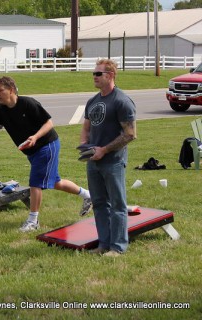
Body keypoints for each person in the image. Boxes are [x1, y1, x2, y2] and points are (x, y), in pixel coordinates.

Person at [0, 76, 92, 232]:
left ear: (12, 90)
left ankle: (33, 221)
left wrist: (35, 137)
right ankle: (88, 195)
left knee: (35, 183)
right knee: (55, 182)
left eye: (1, 91)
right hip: (33, 151)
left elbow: (49, 123)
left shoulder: (28, 103)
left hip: (47, 145)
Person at [80, 59, 137, 257]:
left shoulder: (121, 101)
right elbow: (86, 127)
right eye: (94, 73)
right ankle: (104, 244)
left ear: (110, 75)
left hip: (113, 161)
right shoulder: (93, 101)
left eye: (98, 74)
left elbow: (130, 134)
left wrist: (104, 150)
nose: (94, 77)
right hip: (93, 161)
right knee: (99, 203)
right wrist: (86, 147)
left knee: (117, 204)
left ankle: (118, 247)